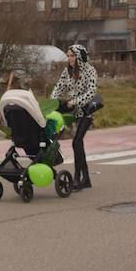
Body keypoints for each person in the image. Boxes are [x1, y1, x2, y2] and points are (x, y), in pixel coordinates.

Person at [52, 44, 99, 191]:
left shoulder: (90, 70)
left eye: (72, 56)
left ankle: (78, 177)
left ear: (79, 56)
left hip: (86, 111)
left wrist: (75, 101)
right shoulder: (67, 72)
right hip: (73, 111)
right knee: (77, 143)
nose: (70, 58)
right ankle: (86, 179)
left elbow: (92, 92)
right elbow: (58, 89)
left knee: (76, 142)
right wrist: (52, 103)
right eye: (68, 56)